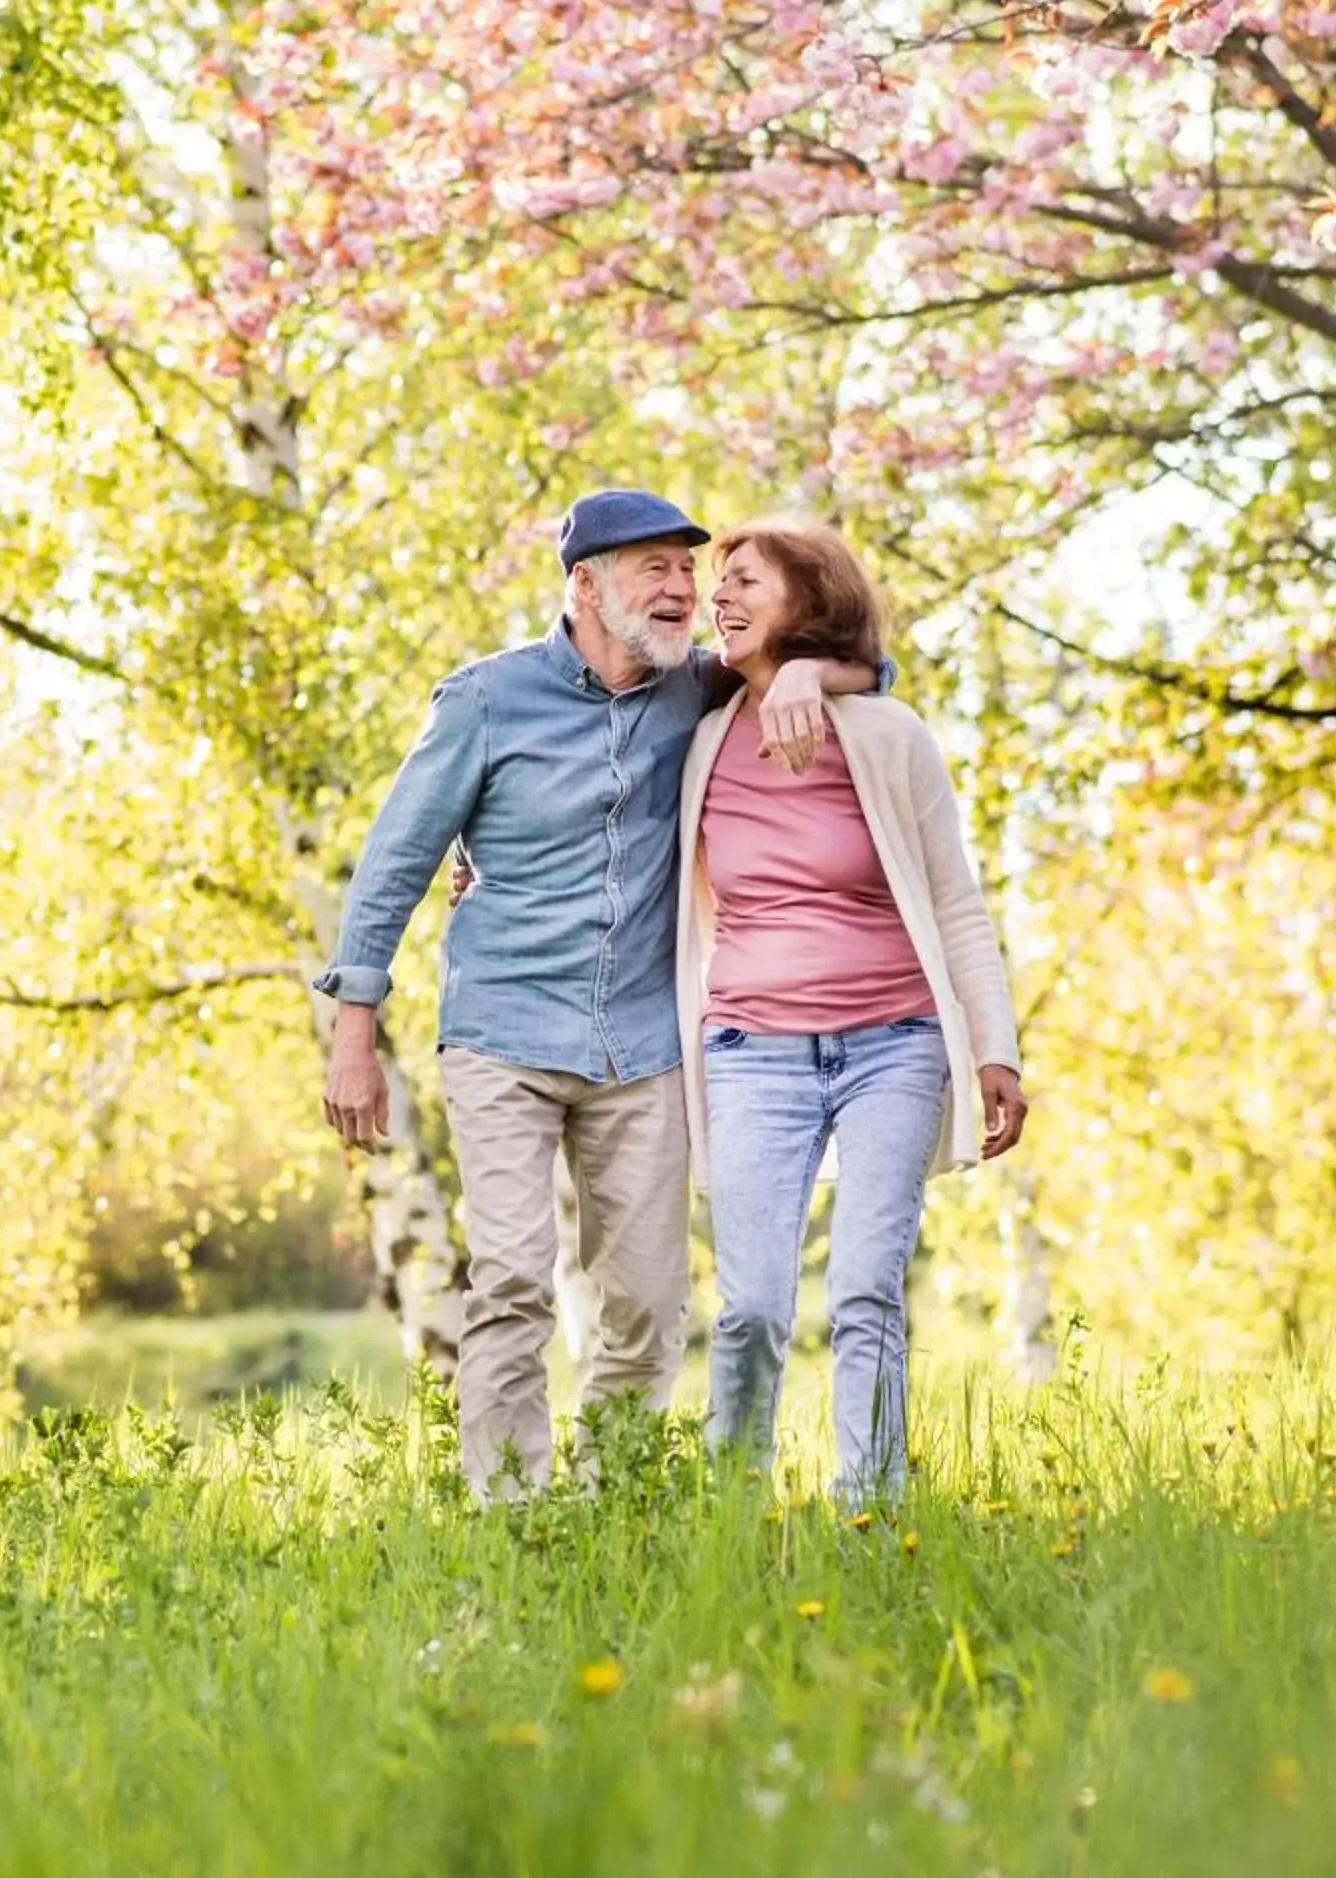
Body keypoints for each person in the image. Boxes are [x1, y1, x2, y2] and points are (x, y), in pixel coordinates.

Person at [317, 488, 887, 1500]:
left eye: (688, 569)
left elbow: (871, 671)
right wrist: (352, 1031)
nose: (683, 589)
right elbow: (395, 861)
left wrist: (804, 667)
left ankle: (607, 1508)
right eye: (655, 568)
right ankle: (513, 1522)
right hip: (502, 1033)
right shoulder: (486, 700)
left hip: (643, 1042)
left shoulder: (695, 690)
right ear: (586, 583)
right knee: (511, 1285)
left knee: (647, 1303)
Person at [674, 516, 1026, 1506]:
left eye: (745, 580)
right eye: (719, 585)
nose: (721, 597)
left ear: (809, 598)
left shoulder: (888, 734)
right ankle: (733, 1513)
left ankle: (870, 1512)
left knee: (867, 1290)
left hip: (894, 1046)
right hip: (751, 1051)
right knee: (749, 1307)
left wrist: (994, 1045)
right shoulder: (697, 736)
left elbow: (956, 897)